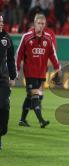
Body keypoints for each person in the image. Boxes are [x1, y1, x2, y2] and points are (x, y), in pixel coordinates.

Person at [16, 14, 61, 128]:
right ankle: (41, 120)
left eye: (43, 23)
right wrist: (16, 70)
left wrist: (57, 68)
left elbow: (52, 54)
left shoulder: (48, 38)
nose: (41, 25)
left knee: (29, 96)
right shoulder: (26, 37)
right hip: (30, 72)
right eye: (39, 23)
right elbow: (19, 54)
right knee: (36, 94)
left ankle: (22, 120)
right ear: (34, 23)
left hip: (41, 72)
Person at [0, 15, 16, 150]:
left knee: (4, 107)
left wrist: (13, 76)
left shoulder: (7, 38)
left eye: (1, 22)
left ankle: (2, 131)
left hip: (3, 79)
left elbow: (11, 59)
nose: (1, 24)